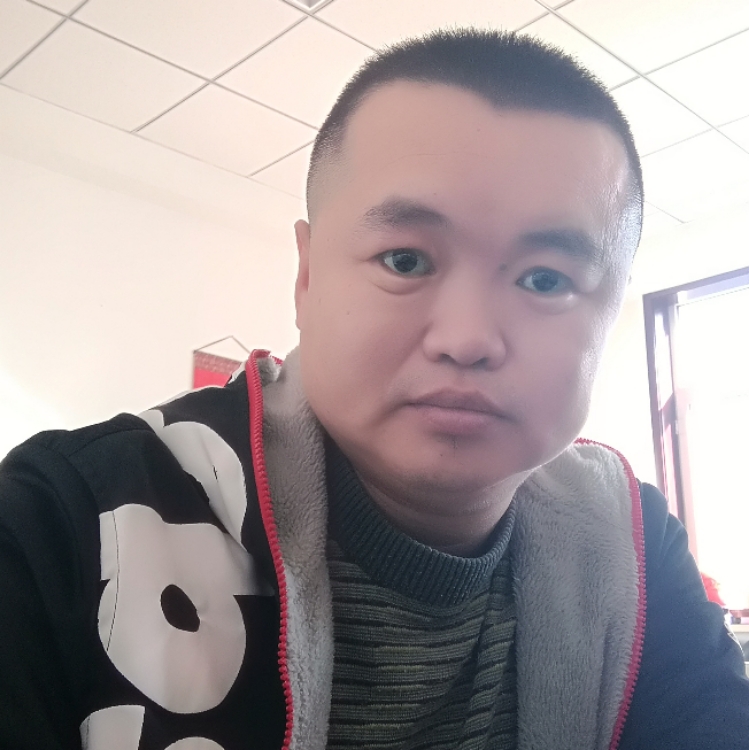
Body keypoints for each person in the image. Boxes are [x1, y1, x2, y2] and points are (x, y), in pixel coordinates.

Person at [1, 28, 747, 750]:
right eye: (404, 260)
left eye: (546, 280)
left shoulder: (630, 542)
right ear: (306, 275)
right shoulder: (60, 521)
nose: (467, 338)